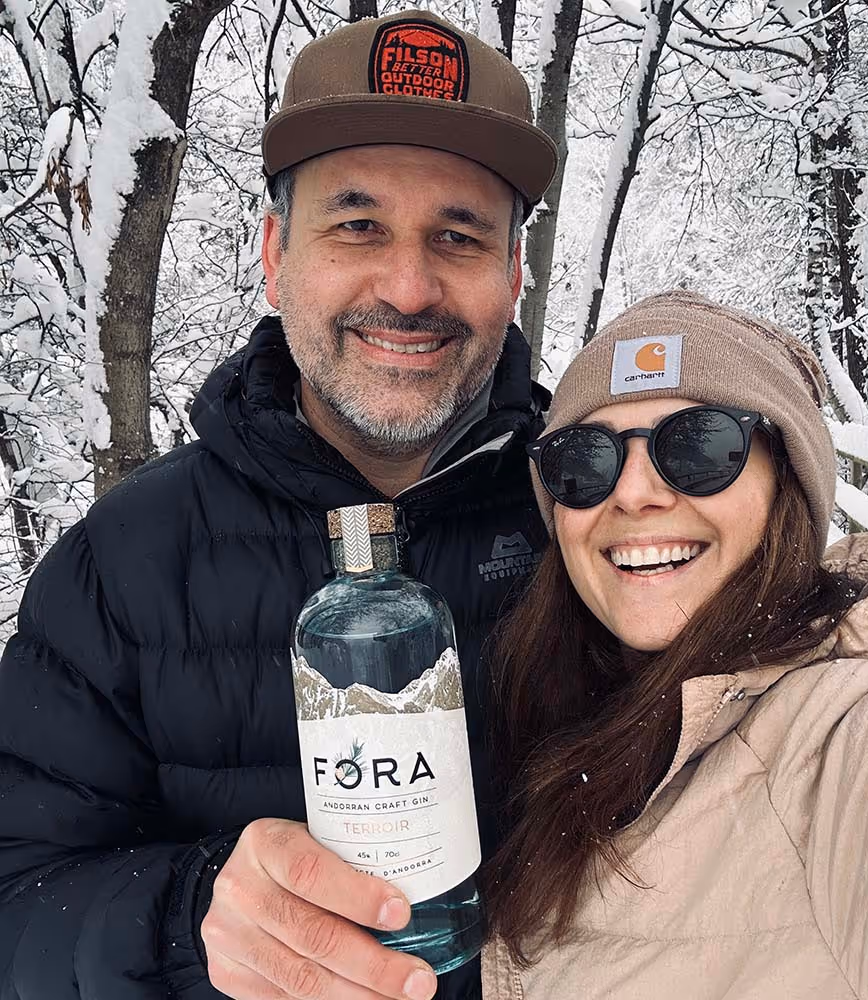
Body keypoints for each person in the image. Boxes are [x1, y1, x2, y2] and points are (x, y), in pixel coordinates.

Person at [0, 10, 556, 1000]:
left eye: (459, 235)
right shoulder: (120, 566)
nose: (408, 284)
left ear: (512, 275)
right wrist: (191, 917)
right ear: (273, 251)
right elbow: (14, 900)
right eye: (357, 224)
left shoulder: (607, 533)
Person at [480, 290, 868, 1000]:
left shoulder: (865, 732)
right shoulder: (557, 708)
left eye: (698, 446)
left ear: (787, 483)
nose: (633, 493)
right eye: (585, 460)